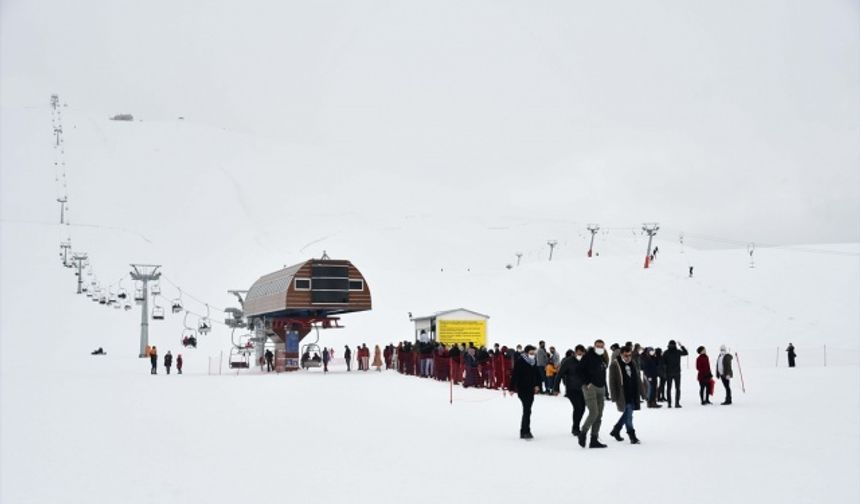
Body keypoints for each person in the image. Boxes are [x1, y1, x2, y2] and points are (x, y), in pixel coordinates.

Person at [609, 345, 645, 444]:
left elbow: (638, 378)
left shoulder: (633, 363)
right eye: (625, 355)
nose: (628, 357)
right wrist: (614, 396)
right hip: (623, 394)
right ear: (621, 354)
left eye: (629, 355)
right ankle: (632, 436)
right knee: (629, 416)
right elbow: (612, 381)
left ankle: (616, 429)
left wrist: (643, 392)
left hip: (633, 392)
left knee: (628, 413)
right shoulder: (614, 364)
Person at [577, 340, 608, 448]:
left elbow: (602, 373)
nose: (600, 347)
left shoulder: (602, 357)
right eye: (598, 346)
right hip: (590, 387)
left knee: (599, 415)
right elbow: (579, 370)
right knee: (594, 412)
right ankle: (583, 433)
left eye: (601, 346)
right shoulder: (588, 356)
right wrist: (587, 382)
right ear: (594, 346)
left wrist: (605, 389)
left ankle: (594, 439)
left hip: (601, 387)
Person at [508, 345, 541, 440]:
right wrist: (511, 388)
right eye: (531, 352)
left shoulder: (534, 361)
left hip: (531, 389)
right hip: (522, 388)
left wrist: (537, 385)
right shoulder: (520, 361)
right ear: (526, 352)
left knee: (528, 410)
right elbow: (515, 375)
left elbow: (537, 375)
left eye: (534, 352)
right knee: (527, 409)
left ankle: (526, 430)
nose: (533, 354)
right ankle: (525, 431)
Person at [553, 345, 586, 436]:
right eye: (578, 352)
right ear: (575, 352)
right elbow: (559, 374)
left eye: (581, 352)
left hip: (583, 389)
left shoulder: (585, 361)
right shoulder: (568, 361)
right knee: (578, 407)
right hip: (572, 389)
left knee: (582, 408)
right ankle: (575, 428)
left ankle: (577, 425)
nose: (580, 354)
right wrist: (556, 388)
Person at [663, 340, 689, 408]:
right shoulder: (678, 351)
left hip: (669, 373)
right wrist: (681, 346)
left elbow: (663, 363)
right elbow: (686, 353)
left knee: (669, 388)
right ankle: (677, 403)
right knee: (677, 388)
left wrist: (665, 371)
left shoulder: (666, 352)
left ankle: (669, 403)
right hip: (677, 372)